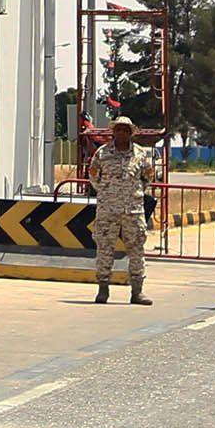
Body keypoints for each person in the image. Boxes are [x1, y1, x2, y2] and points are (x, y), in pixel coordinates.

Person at [87, 115, 154, 306]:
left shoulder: (140, 154)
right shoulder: (102, 153)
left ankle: (137, 291)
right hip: (108, 211)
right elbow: (94, 178)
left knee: (136, 251)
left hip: (133, 211)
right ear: (113, 132)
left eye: (126, 130)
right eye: (118, 129)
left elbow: (147, 178)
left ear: (131, 133)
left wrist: (131, 194)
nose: (122, 133)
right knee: (105, 250)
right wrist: (109, 194)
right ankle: (103, 288)